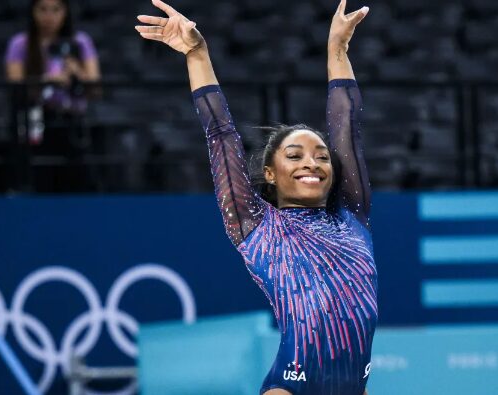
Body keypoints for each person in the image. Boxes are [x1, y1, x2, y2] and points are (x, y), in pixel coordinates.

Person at [136, 1, 377, 394]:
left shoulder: (352, 214)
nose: (312, 164)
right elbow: (220, 133)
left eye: (320, 156)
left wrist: (337, 51)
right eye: (295, 156)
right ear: (270, 173)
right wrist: (197, 54)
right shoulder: (256, 226)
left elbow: (346, 125)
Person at [5, 0, 101, 191]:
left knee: (81, 182)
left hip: (73, 121)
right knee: (39, 180)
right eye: (43, 9)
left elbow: (96, 89)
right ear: (33, 12)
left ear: (65, 12)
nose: (49, 16)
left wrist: (78, 73)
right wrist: (47, 81)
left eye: (56, 9)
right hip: (36, 123)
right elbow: (15, 86)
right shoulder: (20, 43)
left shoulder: (80, 42)